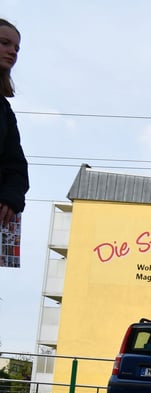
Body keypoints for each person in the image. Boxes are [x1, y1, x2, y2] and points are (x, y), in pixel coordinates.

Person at [0, 18, 28, 269]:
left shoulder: (4, 110)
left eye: (17, 48)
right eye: (4, 43)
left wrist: (11, 198)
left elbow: (17, 167)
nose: (13, 52)